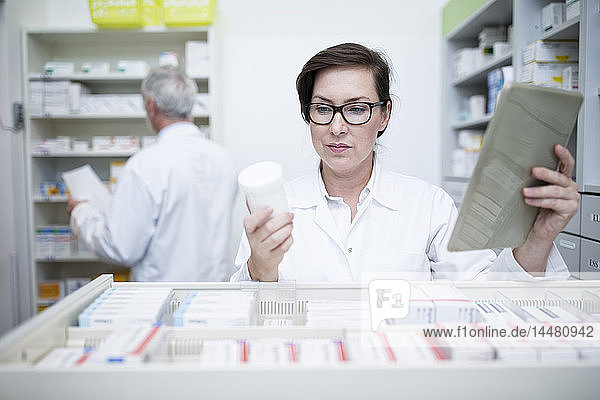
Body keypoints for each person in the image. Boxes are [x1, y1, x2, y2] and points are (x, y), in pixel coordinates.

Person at [231, 43, 578, 282]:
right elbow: (238, 314)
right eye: (323, 109)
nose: (337, 127)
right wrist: (260, 266)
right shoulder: (276, 209)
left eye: (356, 109)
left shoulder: (428, 205)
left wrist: (536, 240)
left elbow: (484, 297)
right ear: (308, 116)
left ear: (384, 115)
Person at [67, 66, 237, 282]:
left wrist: (81, 212)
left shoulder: (145, 165)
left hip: (160, 301)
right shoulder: (222, 159)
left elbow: (121, 248)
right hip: (214, 298)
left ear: (151, 105)